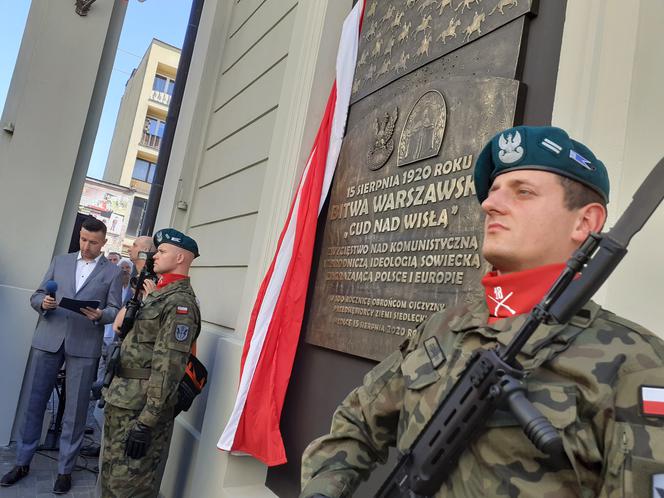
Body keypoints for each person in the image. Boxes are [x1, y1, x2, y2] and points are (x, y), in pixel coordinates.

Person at [300, 126, 664, 498]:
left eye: (523, 192)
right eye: (493, 192)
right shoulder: (442, 328)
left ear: (585, 222)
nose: (490, 205)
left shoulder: (636, 362)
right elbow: (357, 423)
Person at [0, 217, 122, 494]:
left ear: (104, 243)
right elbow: (37, 294)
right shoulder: (60, 261)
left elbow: (116, 309)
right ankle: (22, 462)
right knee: (34, 401)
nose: (86, 245)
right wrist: (42, 302)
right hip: (49, 338)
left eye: (93, 242)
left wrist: (102, 314)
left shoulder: (113, 272)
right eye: (83, 239)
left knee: (76, 411)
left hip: (84, 344)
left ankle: (65, 470)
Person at [100, 228, 201, 498]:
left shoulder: (180, 304)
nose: (155, 255)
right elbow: (122, 329)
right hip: (122, 401)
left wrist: (146, 422)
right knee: (110, 480)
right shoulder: (157, 294)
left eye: (163, 251)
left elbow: (168, 368)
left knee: (132, 487)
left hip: (140, 409)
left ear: (180, 258)